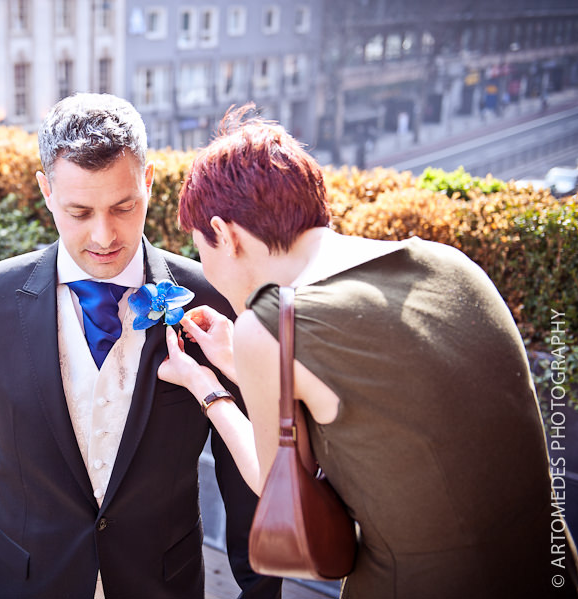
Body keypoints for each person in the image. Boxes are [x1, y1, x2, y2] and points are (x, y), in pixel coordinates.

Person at [158, 105, 578, 598]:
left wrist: (207, 387)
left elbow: (274, 485)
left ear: (226, 235)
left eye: (201, 249)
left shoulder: (269, 327)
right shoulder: (451, 264)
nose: (204, 268)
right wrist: (239, 361)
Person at [0, 94, 283, 599]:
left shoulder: (212, 300)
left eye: (123, 206)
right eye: (79, 211)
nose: (104, 234)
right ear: (47, 192)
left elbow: (247, 484)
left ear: (148, 181)